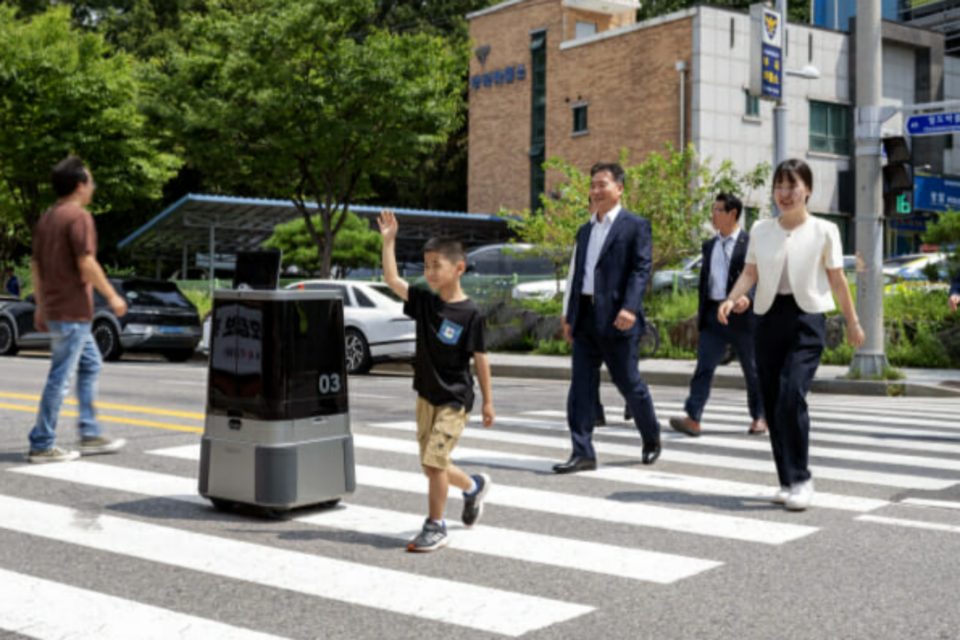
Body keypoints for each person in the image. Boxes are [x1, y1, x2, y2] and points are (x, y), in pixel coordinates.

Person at [719, 159, 864, 511]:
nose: (784, 194)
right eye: (779, 187)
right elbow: (750, 272)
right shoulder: (763, 229)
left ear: (808, 190)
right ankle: (786, 479)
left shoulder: (825, 230)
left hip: (806, 320)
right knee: (771, 400)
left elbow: (837, 280)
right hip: (767, 319)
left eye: (792, 186)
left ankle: (802, 477)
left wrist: (852, 321)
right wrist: (732, 297)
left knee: (791, 394)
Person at [378, 209, 495, 552]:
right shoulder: (425, 303)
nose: (429, 272)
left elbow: (481, 358)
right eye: (426, 265)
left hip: (454, 400)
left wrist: (488, 401)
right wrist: (389, 242)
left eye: (436, 265)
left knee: (433, 462)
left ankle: (435, 525)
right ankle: (473, 487)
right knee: (434, 467)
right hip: (426, 396)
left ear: (458, 268)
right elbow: (392, 279)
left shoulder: (470, 313)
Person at [556, 162, 661, 474]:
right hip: (585, 317)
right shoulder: (585, 230)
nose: (596, 190)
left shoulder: (635, 225)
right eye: (593, 185)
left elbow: (641, 269)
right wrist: (568, 315)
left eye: (603, 184)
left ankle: (651, 438)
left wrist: (630, 307)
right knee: (581, 387)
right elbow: (578, 275)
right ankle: (582, 451)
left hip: (619, 318)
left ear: (620, 188)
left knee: (629, 383)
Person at [28, 156, 128, 463]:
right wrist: (112, 296)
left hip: (60, 310)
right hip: (72, 312)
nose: (93, 187)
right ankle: (42, 443)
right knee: (61, 376)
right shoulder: (79, 217)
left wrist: (42, 306)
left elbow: (35, 266)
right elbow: (86, 262)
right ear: (80, 185)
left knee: (90, 364)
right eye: (91, 181)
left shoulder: (47, 218)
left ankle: (89, 432)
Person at [669, 193, 767, 437]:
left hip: (743, 318)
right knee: (704, 366)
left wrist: (749, 296)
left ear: (732, 214)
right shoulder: (709, 245)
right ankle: (693, 418)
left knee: (752, 369)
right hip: (714, 315)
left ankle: (760, 416)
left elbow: (759, 275)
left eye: (717, 210)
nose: (712, 215)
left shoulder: (751, 243)